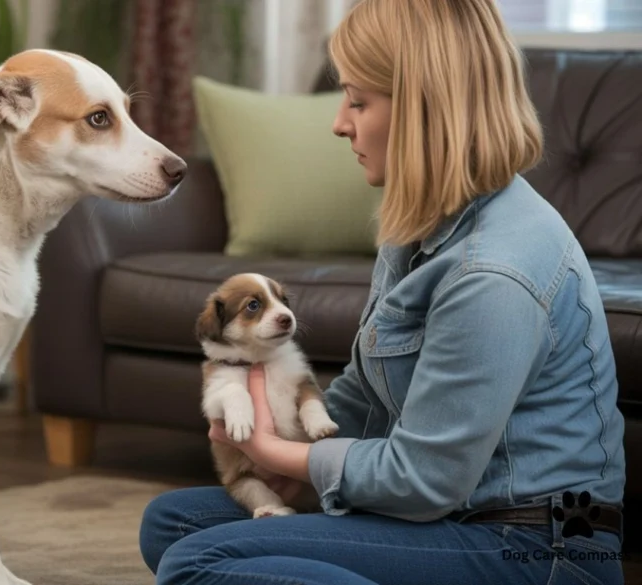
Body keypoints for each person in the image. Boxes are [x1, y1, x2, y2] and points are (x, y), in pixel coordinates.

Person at [137, 0, 627, 583]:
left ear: (427, 109)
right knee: (173, 523)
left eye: (358, 100)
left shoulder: (493, 274)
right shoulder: (422, 223)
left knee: (198, 559)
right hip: (449, 516)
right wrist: (296, 452)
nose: (339, 122)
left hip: (532, 544)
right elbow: (366, 395)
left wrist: (281, 456)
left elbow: (424, 481)